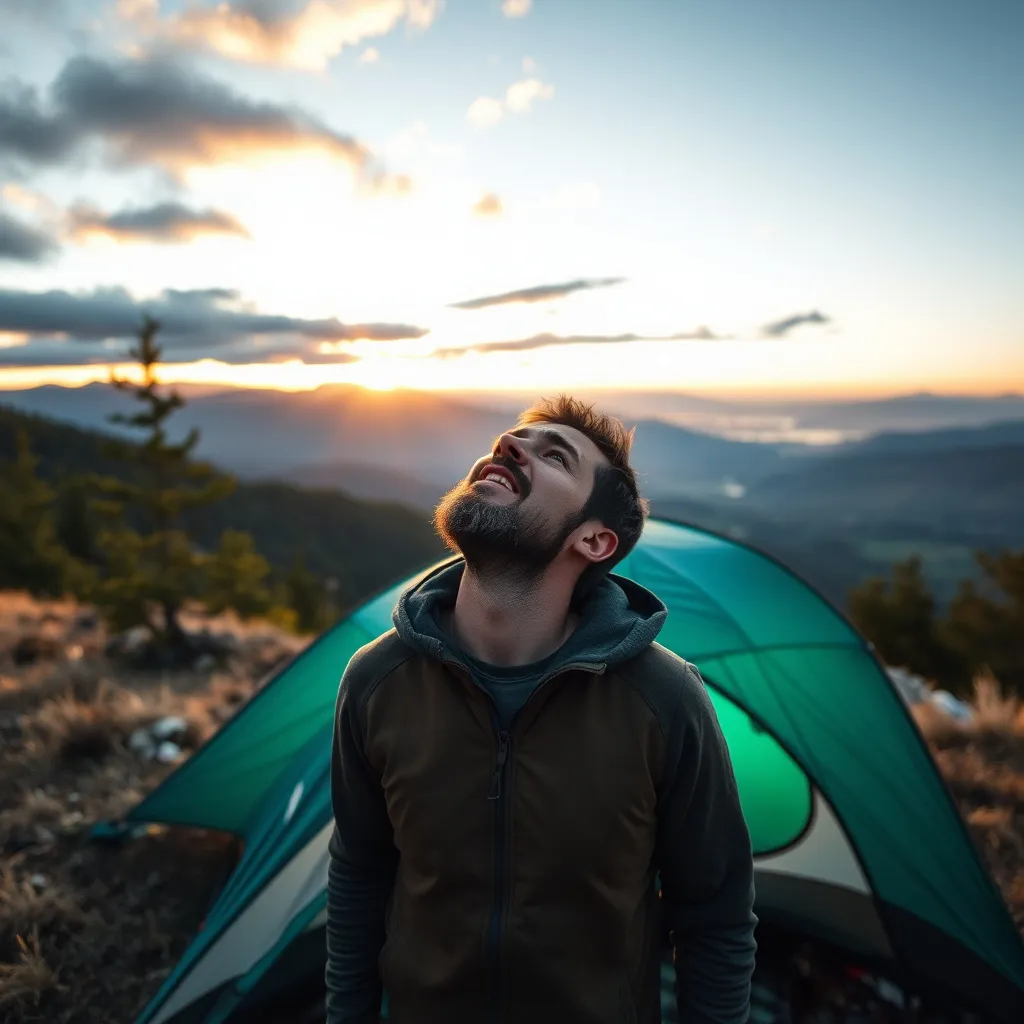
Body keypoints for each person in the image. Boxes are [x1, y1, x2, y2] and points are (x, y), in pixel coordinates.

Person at [326, 395, 757, 1024]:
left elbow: (715, 914)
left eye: (554, 455)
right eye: (511, 438)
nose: (509, 446)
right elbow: (360, 873)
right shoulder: (377, 681)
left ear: (593, 539)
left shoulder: (664, 702)